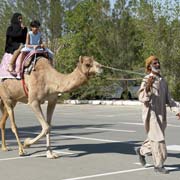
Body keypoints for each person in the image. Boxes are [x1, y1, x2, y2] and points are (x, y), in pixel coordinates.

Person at [136, 55, 180, 174]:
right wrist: (148, 87)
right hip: (151, 114)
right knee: (159, 140)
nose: (157, 65)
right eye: (154, 63)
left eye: (158, 63)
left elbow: (169, 100)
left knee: (154, 138)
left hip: (162, 115)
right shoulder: (146, 79)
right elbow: (142, 98)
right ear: (149, 67)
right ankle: (158, 165)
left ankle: (141, 151)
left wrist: (177, 111)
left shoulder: (163, 81)